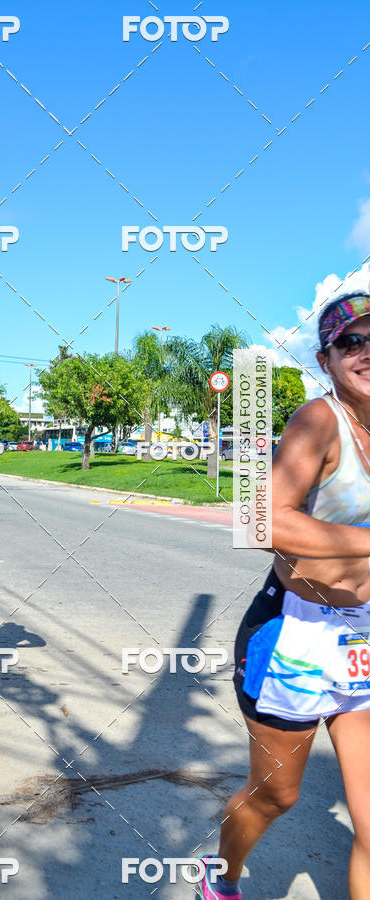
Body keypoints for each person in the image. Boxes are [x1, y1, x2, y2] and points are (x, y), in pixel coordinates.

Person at [197, 291, 370, 900]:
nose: (368, 353)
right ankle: (219, 877)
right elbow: (260, 519)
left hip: (363, 640)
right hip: (293, 632)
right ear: (326, 360)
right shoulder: (319, 421)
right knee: (277, 794)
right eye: (353, 342)